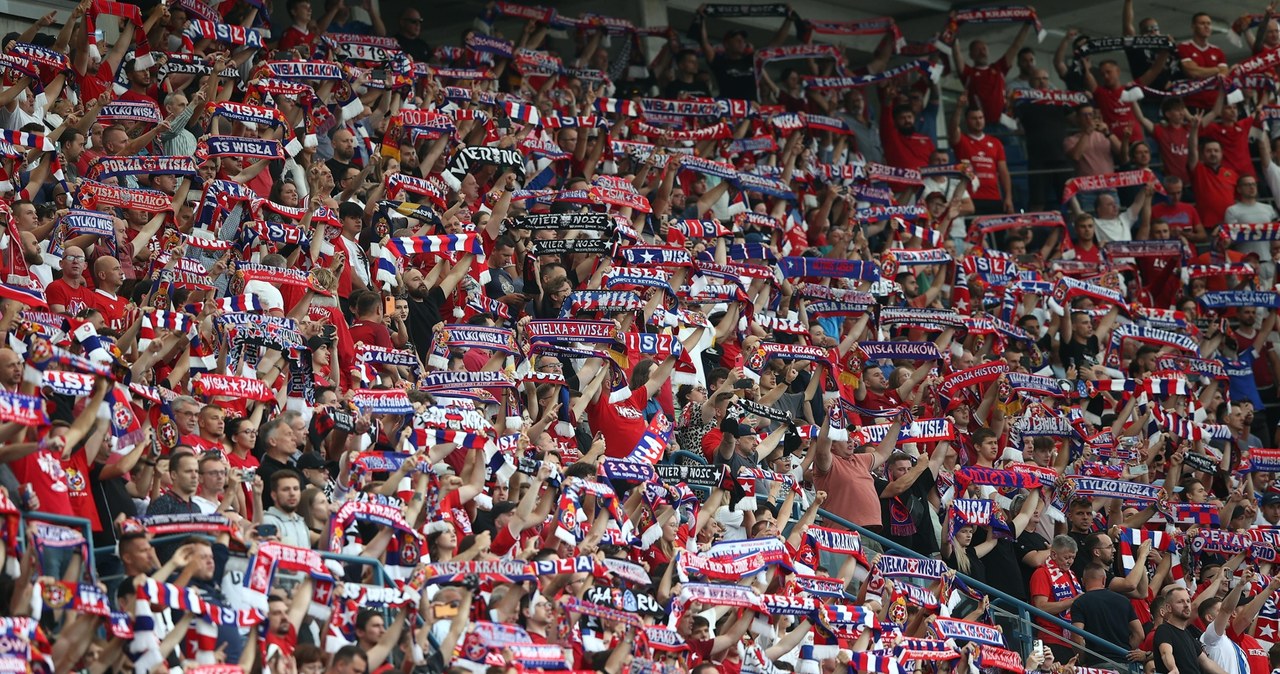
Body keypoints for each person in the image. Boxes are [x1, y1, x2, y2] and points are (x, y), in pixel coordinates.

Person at [1071, 564, 1143, 665]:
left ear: (1083, 581)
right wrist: (1125, 653)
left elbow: (1076, 637)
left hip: (1098, 664)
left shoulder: (1080, 602)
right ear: (1104, 580)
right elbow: (1139, 634)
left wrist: (1083, 659)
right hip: (1125, 664)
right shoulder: (1124, 601)